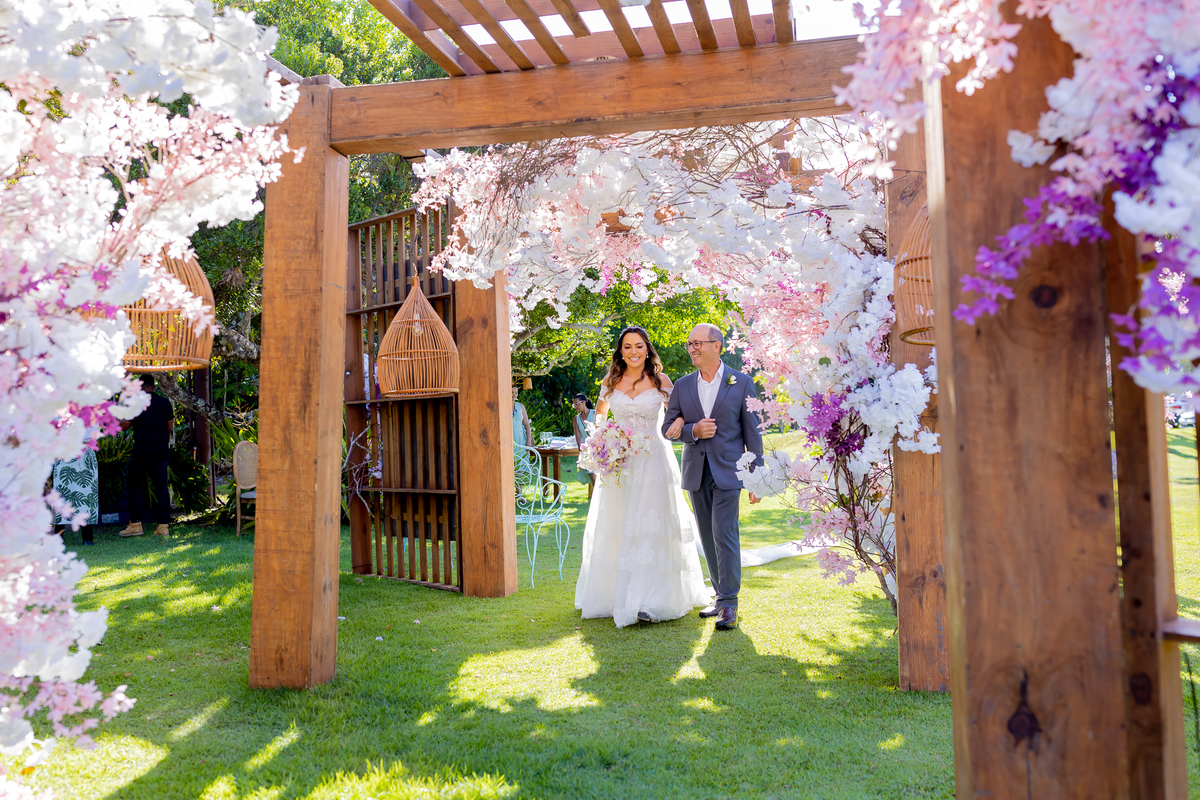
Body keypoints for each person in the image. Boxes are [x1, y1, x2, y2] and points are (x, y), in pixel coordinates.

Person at [575, 326, 711, 627]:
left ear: (647, 349)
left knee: (651, 524)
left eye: (639, 346)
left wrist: (679, 424)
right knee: (620, 523)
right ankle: (616, 594)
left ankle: (652, 599)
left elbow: (679, 414)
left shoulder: (661, 381)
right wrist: (604, 440)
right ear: (620, 351)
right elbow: (599, 418)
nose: (633, 352)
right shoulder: (610, 381)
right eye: (627, 347)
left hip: (653, 461)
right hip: (621, 464)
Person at [662, 323, 763, 631]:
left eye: (698, 343)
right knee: (707, 537)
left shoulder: (741, 383)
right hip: (696, 471)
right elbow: (668, 428)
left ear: (717, 345)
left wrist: (756, 477)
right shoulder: (682, 386)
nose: (692, 349)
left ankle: (730, 603)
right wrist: (693, 430)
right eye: (689, 344)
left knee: (724, 533)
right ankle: (720, 598)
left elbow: (753, 433)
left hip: (730, 472)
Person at [118, 374, 175, 538]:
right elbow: (170, 428)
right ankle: (163, 526)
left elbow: (124, 426)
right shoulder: (165, 403)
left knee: (132, 485)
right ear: (154, 387)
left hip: (141, 451)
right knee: (161, 488)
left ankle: (135, 524)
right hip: (161, 451)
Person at [52, 425, 100, 544]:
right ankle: (58, 537)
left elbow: (92, 434)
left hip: (84, 452)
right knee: (62, 495)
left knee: (87, 497)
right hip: (64, 453)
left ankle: (87, 538)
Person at [571, 393, 596, 488]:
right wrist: (581, 451)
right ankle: (596, 496)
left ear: (584, 402)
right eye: (574, 405)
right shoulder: (575, 419)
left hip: (597, 448)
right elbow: (578, 436)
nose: (575, 407)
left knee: (599, 476)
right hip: (586, 451)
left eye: (577, 404)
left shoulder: (594, 414)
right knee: (592, 475)